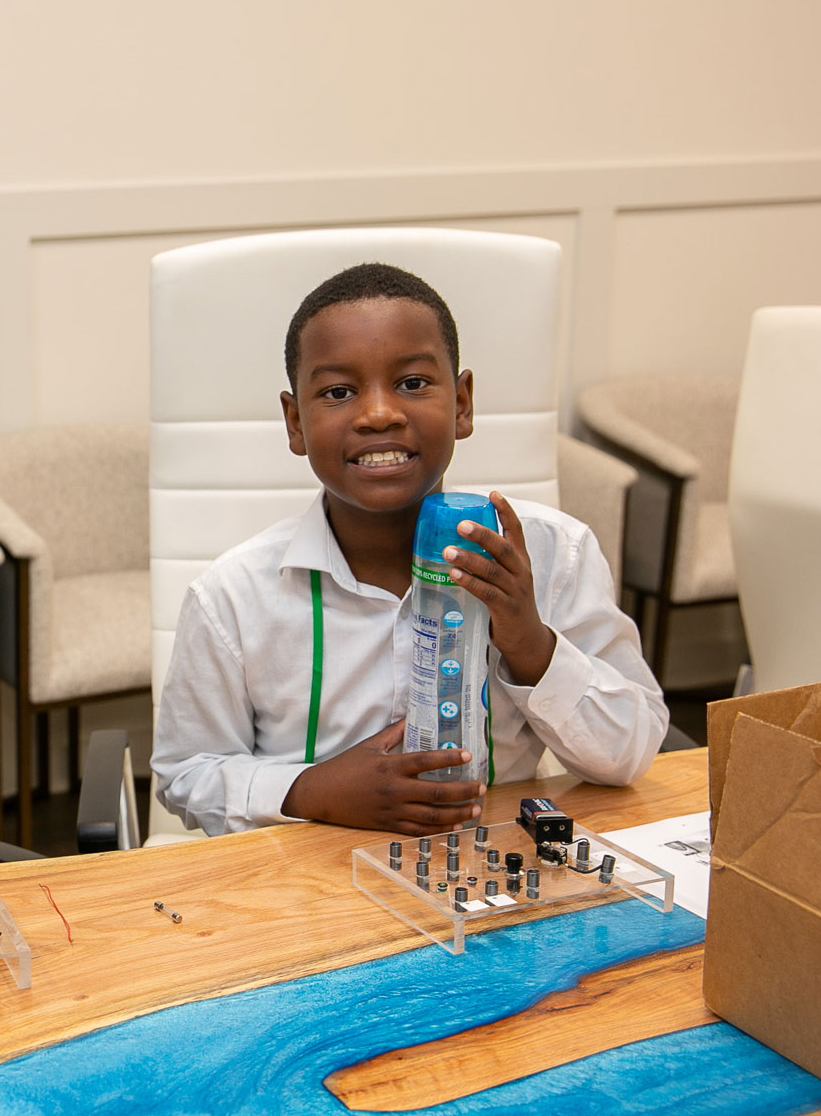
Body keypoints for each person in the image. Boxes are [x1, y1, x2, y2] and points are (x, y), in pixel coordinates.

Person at [151, 262, 666, 837]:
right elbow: (185, 772)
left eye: (413, 383)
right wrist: (312, 791)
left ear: (463, 404)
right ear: (295, 424)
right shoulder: (234, 596)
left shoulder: (555, 554)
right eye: (339, 392)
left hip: (489, 873)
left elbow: (631, 751)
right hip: (306, 885)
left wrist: (529, 640)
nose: (378, 414)